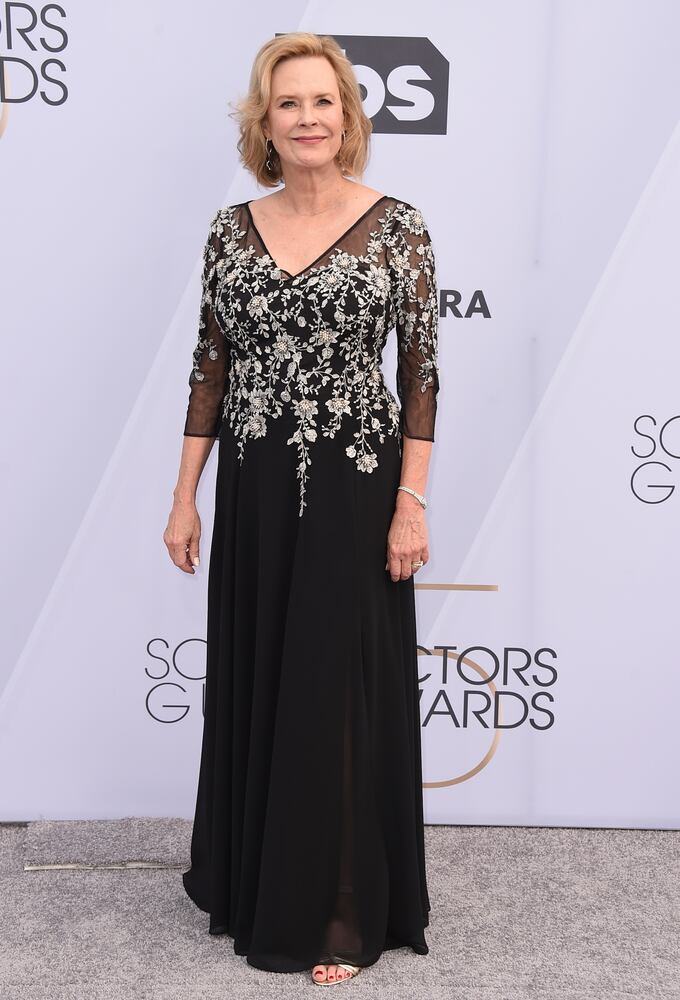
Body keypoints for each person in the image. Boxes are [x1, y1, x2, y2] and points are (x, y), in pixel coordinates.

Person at [164, 31, 440, 987]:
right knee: (262, 675)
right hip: (252, 490)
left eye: (325, 101)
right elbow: (209, 369)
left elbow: (422, 379)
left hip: (355, 494)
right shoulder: (229, 228)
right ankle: (255, 883)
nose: (308, 117)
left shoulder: (399, 228)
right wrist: (183, 497)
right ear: (266, 122)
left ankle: (339, 908)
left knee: (337, 690)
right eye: (290, 103)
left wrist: (411, 505)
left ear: (348, 117)